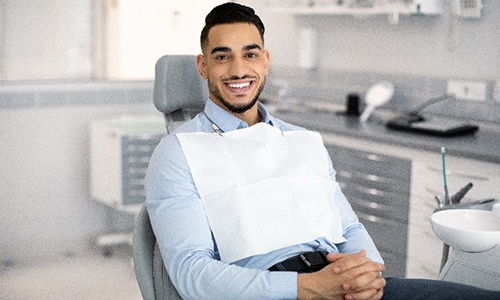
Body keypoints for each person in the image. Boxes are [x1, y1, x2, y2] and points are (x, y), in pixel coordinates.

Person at [145, 3, 500, 299]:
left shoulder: (301, 140)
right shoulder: (178, 153)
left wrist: (368, 274)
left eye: (249, 54)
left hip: (343, 285)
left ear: (265, 61)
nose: (239, 70)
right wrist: (304, 288)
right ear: (203, 66)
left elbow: (349, 228)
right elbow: (192, 273)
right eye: (222, 57)